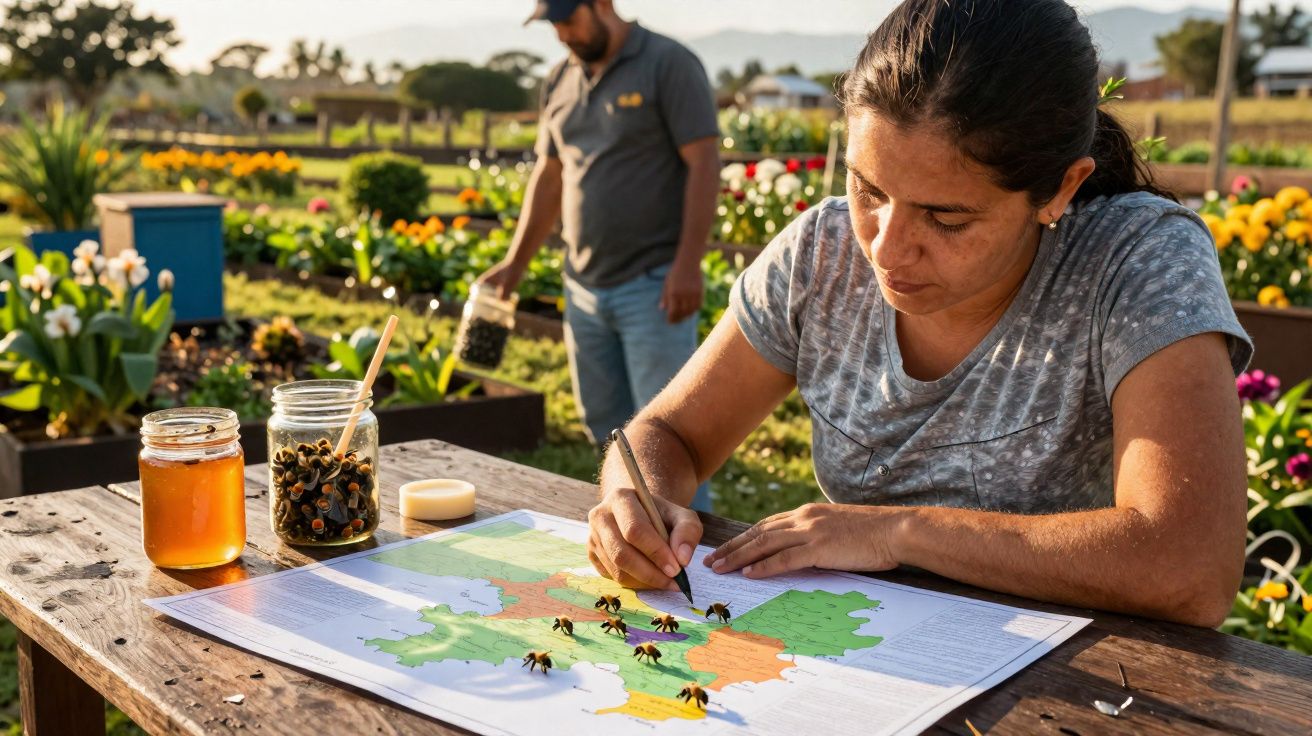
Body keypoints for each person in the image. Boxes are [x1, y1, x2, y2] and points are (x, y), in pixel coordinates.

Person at [585, 0, 1254, 628]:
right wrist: (631, 498)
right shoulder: (823, 253)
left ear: (1059, 189)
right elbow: (668, 434)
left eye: (945, 217)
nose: (884, 245)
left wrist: (893, 531)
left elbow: (1189, 565)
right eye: (867, 189)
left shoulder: (1135, 259)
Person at [478, 0, 721, 510]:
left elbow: (703, 165)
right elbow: (549, 177)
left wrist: (687, 264)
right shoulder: (559, 80)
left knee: (672, 436)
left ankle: (695, 558)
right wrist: (515, 264)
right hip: (583, 285)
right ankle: (633, 528)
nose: (562, 33)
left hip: (654, 284)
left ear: (603, 5)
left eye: (569, 19)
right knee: (605, 424)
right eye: (554, 24)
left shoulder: (668, 64)